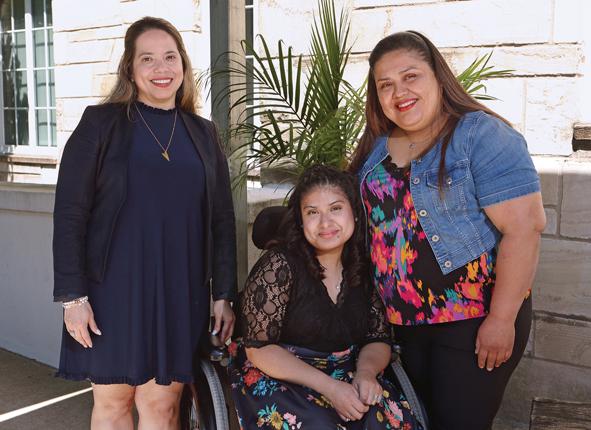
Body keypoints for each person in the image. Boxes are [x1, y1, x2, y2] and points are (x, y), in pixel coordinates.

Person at [349, 31, 546, 429]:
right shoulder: (377, 144)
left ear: (438, 77)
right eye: (385, 85)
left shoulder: (479, 135)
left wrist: (501, 320)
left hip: (471, 321)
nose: (398, 92)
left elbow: (525, 229)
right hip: (400, 325)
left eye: (410, 77)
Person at [52, 17, 236, 430]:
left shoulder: (203, 134)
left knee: (163, 407)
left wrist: (223, 293)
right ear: (130, 69)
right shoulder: (100, 124)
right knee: (115, 404)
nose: (161, 68)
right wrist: (72, 298)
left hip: (180, 290)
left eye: (170, 57)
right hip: (110, 293)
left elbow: (223, 220)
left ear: (183, 66)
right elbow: (69, 215)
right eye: (147, 58)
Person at [229, 165, 422, 429]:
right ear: (300, 220)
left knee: (380, 420)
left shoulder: (364, 267)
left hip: (346, 372)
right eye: (312, 213)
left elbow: (377, 338)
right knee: (319, 424)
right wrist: (331, 389)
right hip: (280, 375)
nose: (325, 223)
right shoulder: (279, 267)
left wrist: (366, 374)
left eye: (335, 209)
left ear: (354, 212)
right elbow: (259, 349)